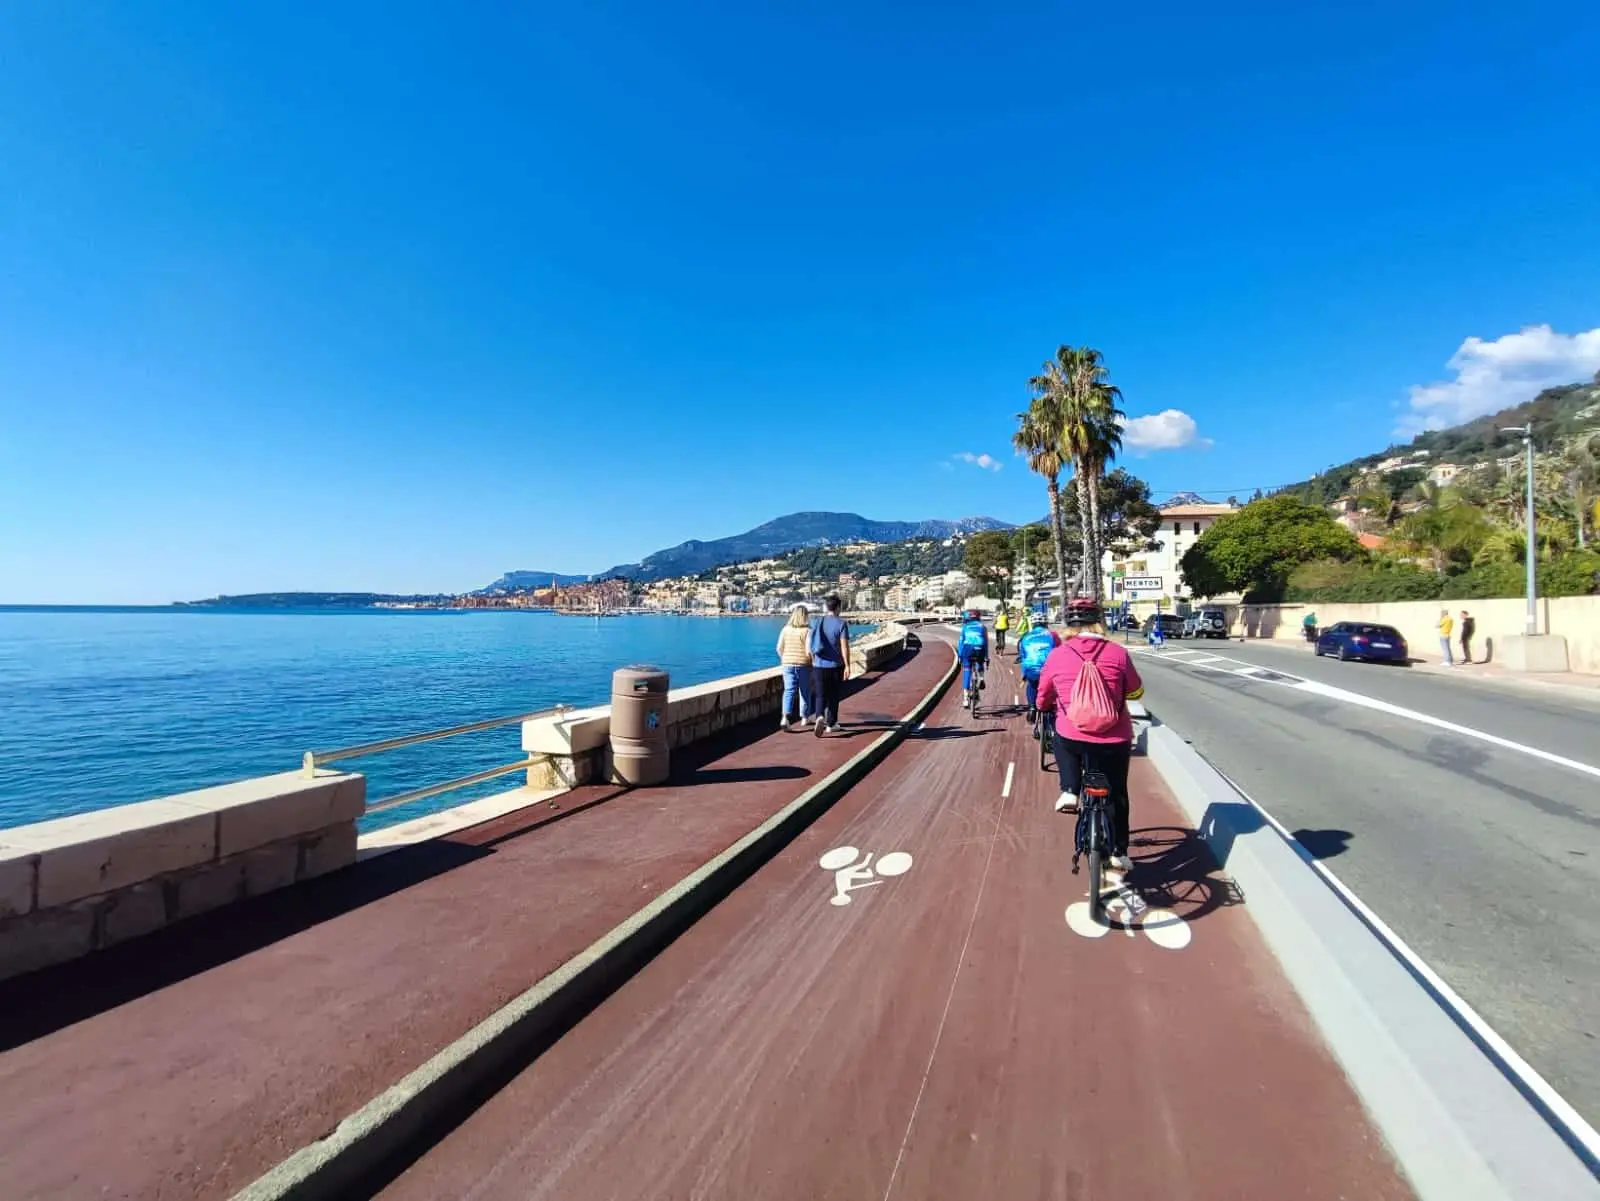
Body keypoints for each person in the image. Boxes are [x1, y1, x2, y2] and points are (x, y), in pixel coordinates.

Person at [1035, 602, 1145, 873]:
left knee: (1060, 737)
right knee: (1118, 793)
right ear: (1100, 623)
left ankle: (1070, 790)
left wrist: (1045, 705)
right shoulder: (1118, 654)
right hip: (1114, 738)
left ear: (1068, 626)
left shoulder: (1057, 656)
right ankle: (1119, 851)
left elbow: (1042, 699)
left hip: (1073, 736)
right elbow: (1136, 691)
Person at [809, 595, 852, 736]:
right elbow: (844, 647)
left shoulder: (816, 622)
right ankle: (831, 724)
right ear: (838, 607)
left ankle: (819, 716)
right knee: (833, 695)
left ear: (826, 607)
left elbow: (810, 644)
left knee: (820, 695)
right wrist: (847, 665)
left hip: (818, 665)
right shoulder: (841, 624)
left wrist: (813, 659)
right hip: (835, 665)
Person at [1016, 618, 1060, 734]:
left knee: (1031, 685)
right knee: (1052, 691)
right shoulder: (1052, 635)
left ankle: (1031, 707)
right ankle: (1051, 723)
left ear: (1033, 624)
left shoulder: (1026, 636)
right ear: (1046, 624)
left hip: (1031, 669)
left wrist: (1024, 674)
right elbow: (1060, 652)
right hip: (1048, 669)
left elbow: (1023, 656)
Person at [775, 604, 813, 730]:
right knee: (804, 691)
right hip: (803, 665)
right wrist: (813, 662)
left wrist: (785, 659)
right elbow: (808, 651)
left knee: (789, 691)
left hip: (787, 665)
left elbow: (779, 648)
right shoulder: (808, 631)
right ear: (805, 616)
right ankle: (804, 718)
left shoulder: (785, 629)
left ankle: (785, 718)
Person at [957, 608, 989, 706]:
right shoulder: (983, 627)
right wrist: (987, 657)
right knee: (980, 661)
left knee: (967, 670)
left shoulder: (965, 627)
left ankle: (965, 699)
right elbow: (986, 643)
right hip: (980, 648)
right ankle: (981, 678)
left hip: (968, 649)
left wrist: (960, 656)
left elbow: (961, 643)